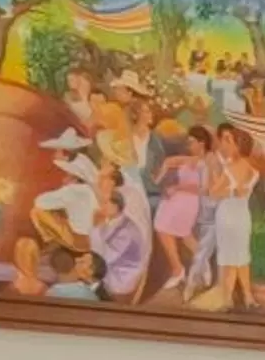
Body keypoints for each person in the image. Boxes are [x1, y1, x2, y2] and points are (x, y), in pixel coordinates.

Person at [150, 123, 208, 297]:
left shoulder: (207, 163)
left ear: (202, 143)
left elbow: (204, 189)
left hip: (190, 201)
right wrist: (160, 178)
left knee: (184, 234)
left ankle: (197, 265)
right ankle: (178, 269)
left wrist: (179, 188)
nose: (189, 145)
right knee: (162, 228)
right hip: (175, 199)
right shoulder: (188, 159)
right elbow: (169, 161)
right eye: (188, 142)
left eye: (192, 142)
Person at [209, 126, 259, 310]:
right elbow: (213, 193)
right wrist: (231, 191)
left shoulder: (250, 170)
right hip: (227, 216)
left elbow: (214, 192)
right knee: (230, 258)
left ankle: (246, 296)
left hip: (240, 217)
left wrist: (231, 191)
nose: (226, 145)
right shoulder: (230, 167)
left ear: (240, 145)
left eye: (230, 141)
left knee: (241, 257)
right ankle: (229, 298)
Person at [26, 129, 99, 251]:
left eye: (67, 174)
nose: (64, 177)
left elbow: (39, 201)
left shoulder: (72, 191)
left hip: (80, 241)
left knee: (36, 211)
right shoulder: (88, 188)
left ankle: (49, 241)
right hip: (94, 237)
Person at [89, 160, 151, 301]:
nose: (101, 207)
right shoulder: (113, 221)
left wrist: (96, 227)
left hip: (121, 278)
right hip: (113, 269)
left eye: (105, 203)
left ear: (116, 206)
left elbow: (105, 259)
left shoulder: (127, 230)